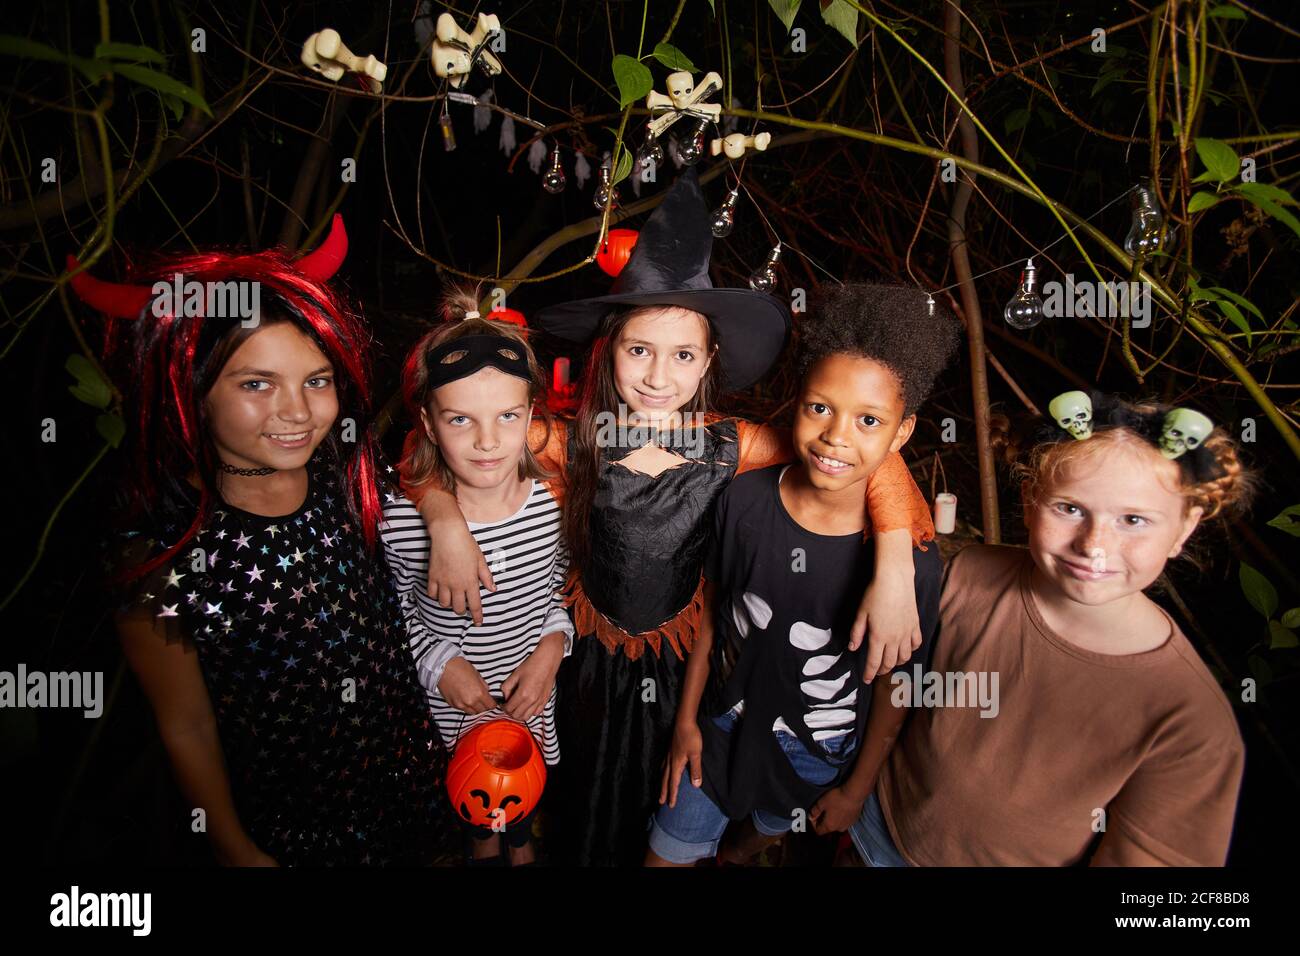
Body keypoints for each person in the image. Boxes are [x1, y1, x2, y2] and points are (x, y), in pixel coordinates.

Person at [409, 171, 937, 865]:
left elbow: (850, 453)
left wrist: (896, 559)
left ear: (709, 358)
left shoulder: (734, 445)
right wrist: (442, 518)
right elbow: (432, 447)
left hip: (684, 665)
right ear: (609, 348)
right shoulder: (572, 438)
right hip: (587, 658)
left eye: (683, 355)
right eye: (639, 351)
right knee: (580, 800)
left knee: (662, 803)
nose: (659, 377)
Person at [82, 218, 445, 866]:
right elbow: (186, 724)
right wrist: (232, 845)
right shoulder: (157, 558)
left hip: (408, 782)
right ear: (192, 391)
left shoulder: (347, 472)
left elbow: (422, 486)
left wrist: (444, 523)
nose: (299, 412)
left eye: (316, 379)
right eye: (257, 384)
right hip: (297, 826)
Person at [850, 390, 1251, 866]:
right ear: (1029, 499)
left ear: (1184, 530)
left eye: (1134, 520)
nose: (1094, 546)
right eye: (1070, 508)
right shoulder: (970, 575)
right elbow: (899, 683)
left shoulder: (1191, 721)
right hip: (877, 823)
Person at [646, 283, 959, 865]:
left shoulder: (909, 564)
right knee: (667, 850)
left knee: (751, 843)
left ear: (903, 432)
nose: (837, 437)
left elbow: (896, 685)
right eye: (820, 408)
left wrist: (856, 788)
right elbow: (712, 616)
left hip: (814, 750)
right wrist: (686, 722)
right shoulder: (742, 500)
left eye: (870, 420)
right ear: (797, 402)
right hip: (719, 726)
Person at [382, 292, 573, 865]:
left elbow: (560, 589)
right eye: (460, 419)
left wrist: (551, 650)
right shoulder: (403, 522)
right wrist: (440, 665)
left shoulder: (553, 501)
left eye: (507, 417)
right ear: (428, 424)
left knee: (523, 801)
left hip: (529, 697)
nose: (487, 442)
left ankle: (521, 842)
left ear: (532, 415)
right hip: (451, 705)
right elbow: (392, 619)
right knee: (474, 814)